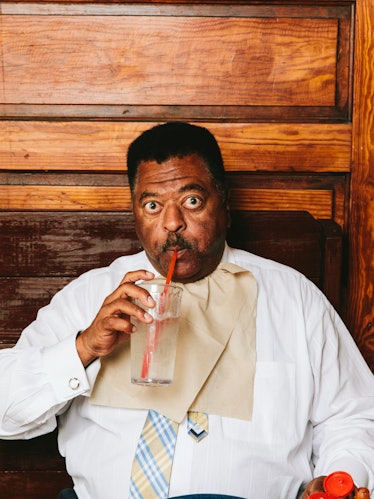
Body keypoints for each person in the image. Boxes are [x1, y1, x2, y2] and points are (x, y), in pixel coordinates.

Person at [0, 122, 373, 499]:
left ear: (224, 205)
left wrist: (335, 482)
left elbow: (353, 417)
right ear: (135, 214)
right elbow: (5, 410)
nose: (173, 222)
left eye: (192, 200)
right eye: (152, 205)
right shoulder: (87, 298)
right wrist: (83, 349)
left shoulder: (295, 300)